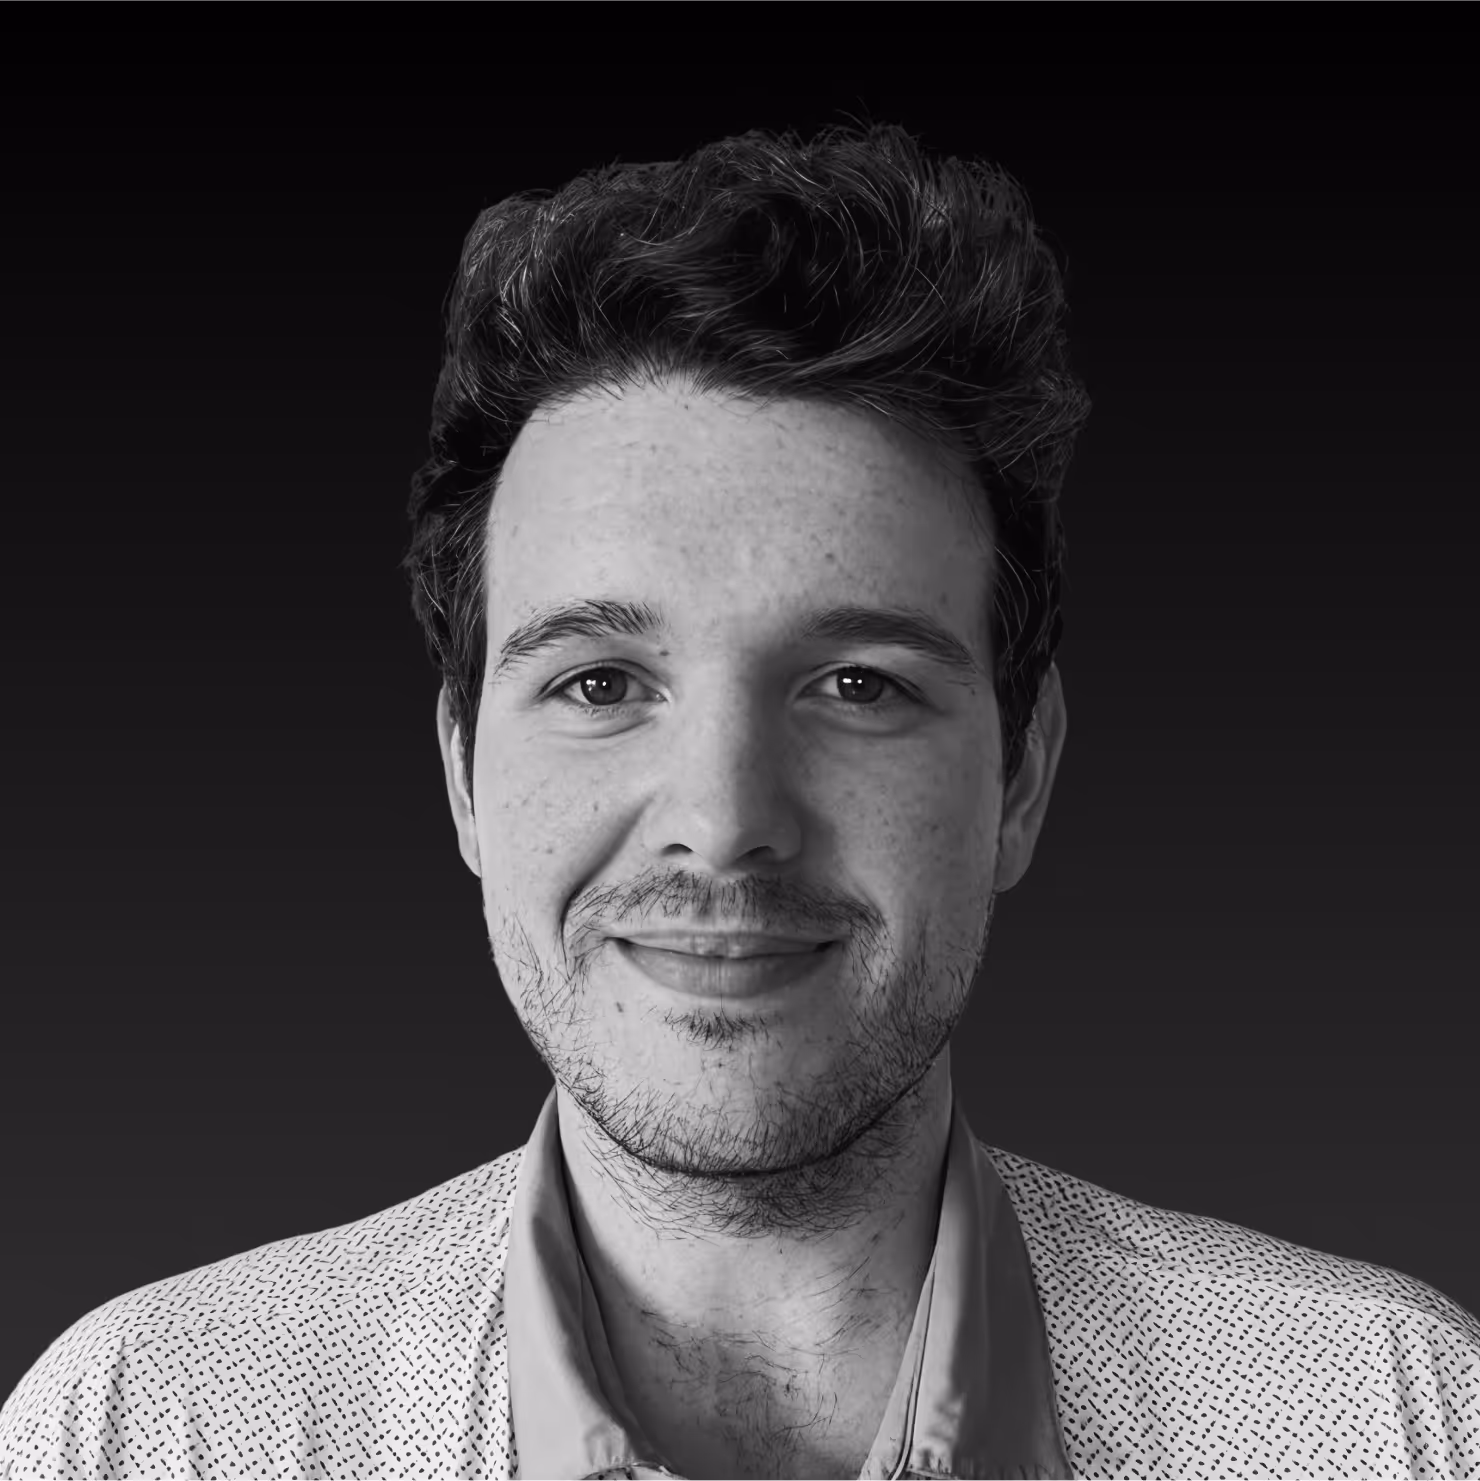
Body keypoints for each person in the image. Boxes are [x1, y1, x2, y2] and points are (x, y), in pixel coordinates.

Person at [3, 122, 1476, 1481]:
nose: (722, 819)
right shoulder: (150, 1429)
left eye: (855, 685)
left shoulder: (1394, 1421)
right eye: (597, 684)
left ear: (1022, 774)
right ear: (462, 773)